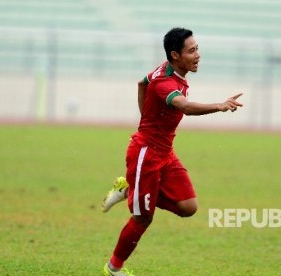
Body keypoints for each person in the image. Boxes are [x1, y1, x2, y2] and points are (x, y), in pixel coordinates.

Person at [101, 27, 243, 276]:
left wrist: (145, 117)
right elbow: (184, 106)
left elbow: (141, 83)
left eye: (197, 48)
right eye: (192, 51)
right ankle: (113, 268)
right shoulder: (166, 83)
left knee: (188, 207)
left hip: (165, 152)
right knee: (143, 219)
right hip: (146, 154)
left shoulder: (166, 68)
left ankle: (130, 189)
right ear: (175, 55)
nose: (198, 55)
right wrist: (219, 106)